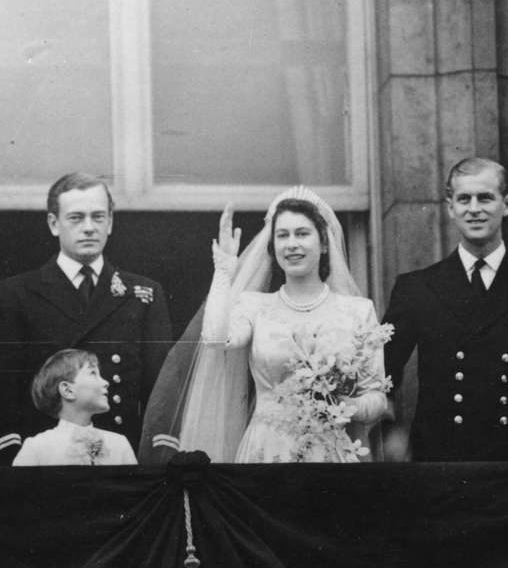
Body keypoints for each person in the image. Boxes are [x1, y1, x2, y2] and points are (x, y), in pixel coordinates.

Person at [148, 187, 388, 463]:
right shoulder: (255, 306)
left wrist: (343, 405)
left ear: (323, 243)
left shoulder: (357, 311)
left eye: (302, 233)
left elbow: (377, 398)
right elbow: (215, 338)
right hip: (265, 451)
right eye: (282, 235)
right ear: (273, 247)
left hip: (330, 454)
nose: (292, 244)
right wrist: (224, 270)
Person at [383, 157, 508, 461]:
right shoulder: (416, 287)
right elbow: (381, 372)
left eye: (485, 197)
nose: (473, 209)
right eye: (463, 199)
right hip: (440, 463)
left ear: (506, 204)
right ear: (450, 208)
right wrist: (392, 433)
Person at [0, 173, 172, 462]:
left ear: (110, 222)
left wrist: (155, 459)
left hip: (120, 458)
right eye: (75, 218)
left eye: (98, 217)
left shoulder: (144, 294)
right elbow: (1, 395)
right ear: (53, 224)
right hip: (46, 461)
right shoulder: (14, 294)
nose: (88, 228)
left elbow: (159, 392)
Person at [12, 349, 137, 467]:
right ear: (68, 390)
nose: (106, 382)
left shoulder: (119, 444)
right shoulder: (37, 447)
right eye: (93, 373)